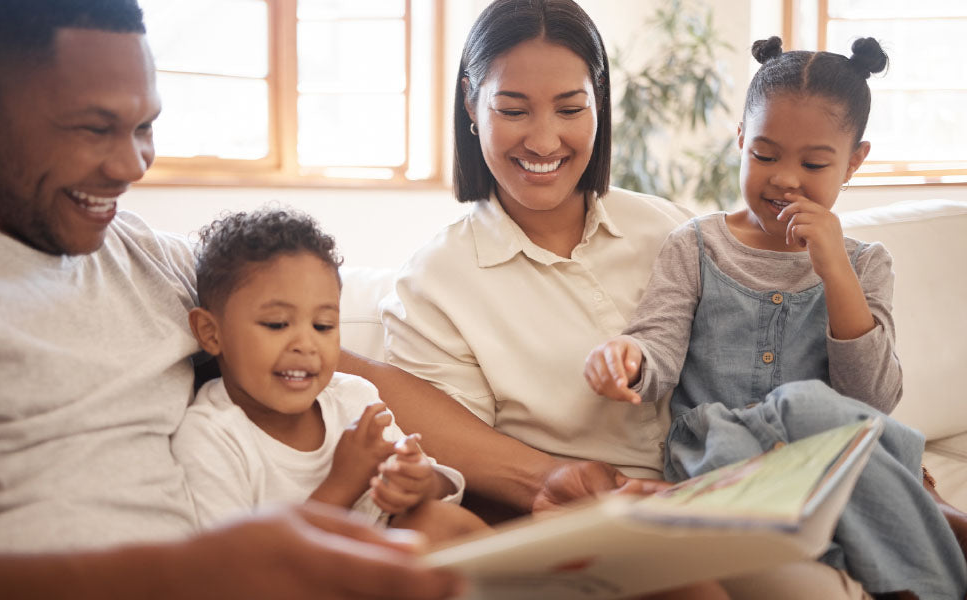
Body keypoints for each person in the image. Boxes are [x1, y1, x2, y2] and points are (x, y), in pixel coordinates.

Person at [380, 0, 878, 597]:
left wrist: (871, 463)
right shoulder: (435, 283)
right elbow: (456, 477)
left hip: (725, 493)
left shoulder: (670, 228)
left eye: (571, 108)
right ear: (470, 104)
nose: (545, 139)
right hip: (593, 527)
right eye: (513, 110)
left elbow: (773, 368)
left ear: (599, 104)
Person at [0, 1, 464, 598]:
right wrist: (185, 573)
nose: (132, 167)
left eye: (144, 127)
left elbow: (325, 365)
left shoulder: (150, 258)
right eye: (94, 128)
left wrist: (539, 477)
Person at [583, 36, 967, 600]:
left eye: (813, 163)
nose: (785, 178)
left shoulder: (866, 263)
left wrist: (835, 272)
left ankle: (918, 571)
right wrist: (630, 358)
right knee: (792, 427)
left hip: (825, 444)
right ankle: (902, 525)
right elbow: (659, 344)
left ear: (854, 161)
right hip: (722, 448)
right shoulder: (695, 245)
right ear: (740, 140)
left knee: (806, 407)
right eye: (764, 155)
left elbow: (873, 399)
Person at [172, 208, 485, 543]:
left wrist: (419, 482)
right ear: (210, 332)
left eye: (323, 326)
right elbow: (241, 568)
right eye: (277, 324)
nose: (306, 345)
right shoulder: (210, 437)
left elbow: (437, 484)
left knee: (436, 518)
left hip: (386, 563)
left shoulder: (355, 399)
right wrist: (343, 484)